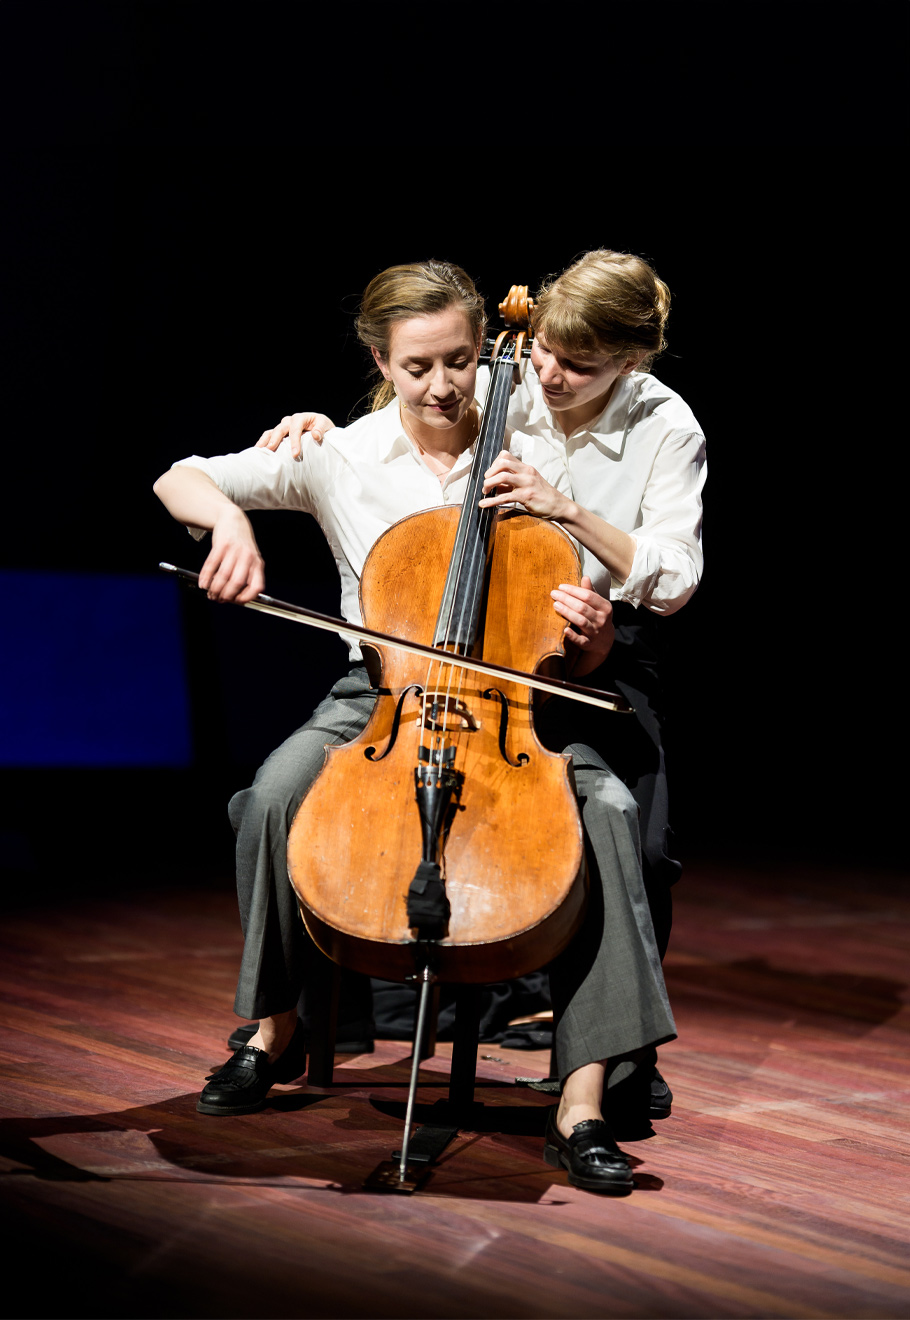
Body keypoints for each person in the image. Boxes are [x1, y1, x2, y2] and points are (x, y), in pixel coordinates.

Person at [154, 259, 677, 1196]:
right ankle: (273, 1028)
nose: (443, 388)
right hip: (380, 695)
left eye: (463, 362)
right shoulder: (337, 452)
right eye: (418, 367)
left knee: (605, 815)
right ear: (379, 362)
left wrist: (590, 626)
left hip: (514, 697)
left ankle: (584, 1096)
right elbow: (179, 477)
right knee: (271, 796)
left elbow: (597, 566)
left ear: (487, 353)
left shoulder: (532, 441)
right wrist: (230, 524)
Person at [260, 249, 707, 1109]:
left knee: (640, 846)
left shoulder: (667, 425)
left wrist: (569, 511)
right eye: (543, 350)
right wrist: (317, 434)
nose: (550, 373)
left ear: (631, 360)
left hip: (597, 646)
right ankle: (411, 996)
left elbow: (675, 576)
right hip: (472, 644)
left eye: (580, 364)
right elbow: (405, 433)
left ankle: (619, 1057)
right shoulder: (511, 381)